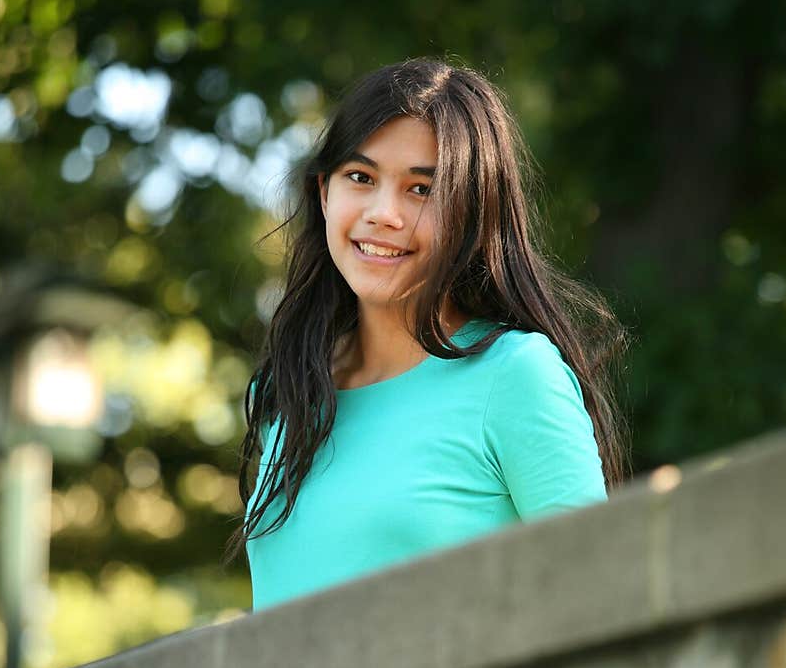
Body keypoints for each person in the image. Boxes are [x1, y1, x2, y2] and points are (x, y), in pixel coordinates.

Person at [225, 57, 630, 610]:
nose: (383, 214)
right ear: (324, 194)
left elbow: (600, 607)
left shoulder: (516, 376)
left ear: (471, 213)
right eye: (360, 178)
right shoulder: (288, 395)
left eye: (421, 190)